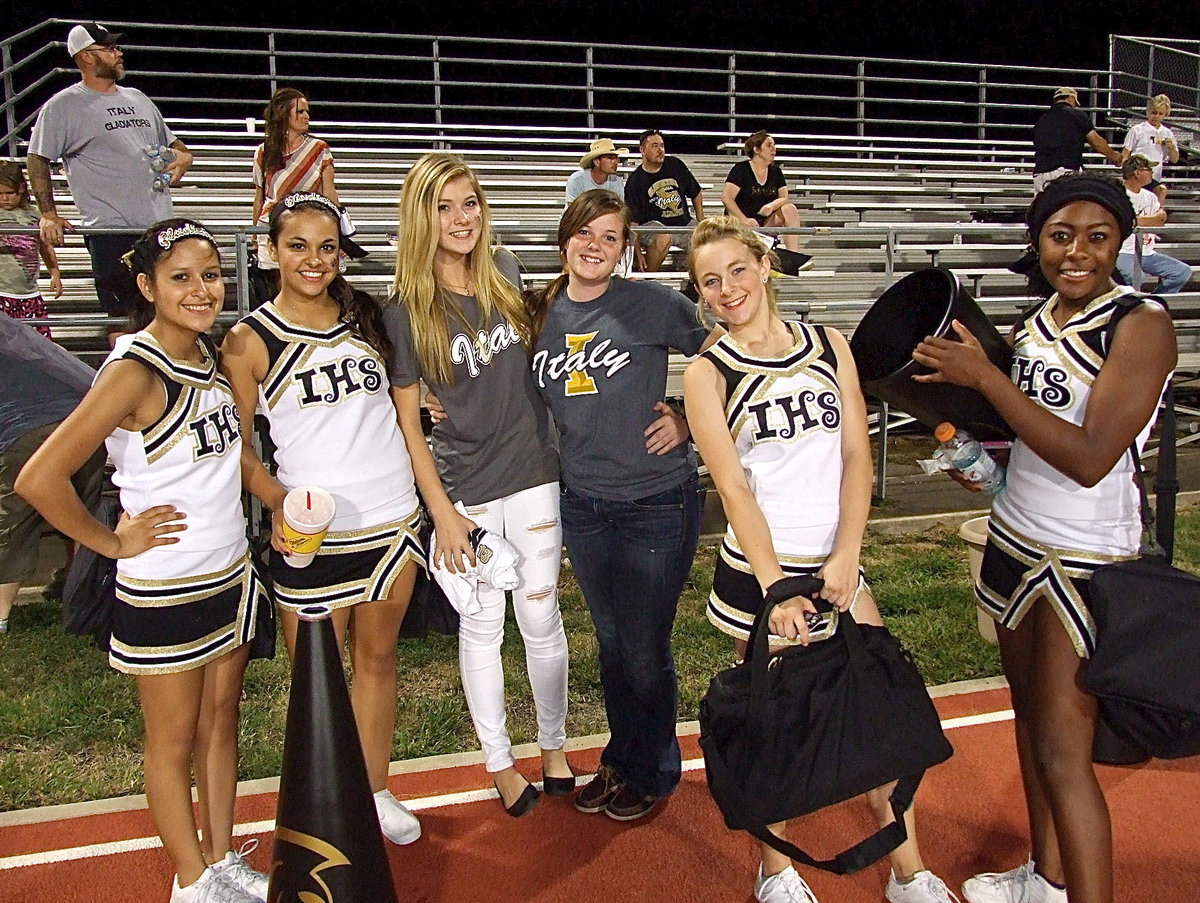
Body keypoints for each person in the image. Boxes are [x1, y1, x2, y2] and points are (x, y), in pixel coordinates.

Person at [912, 173, 1176, 903]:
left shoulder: (1141, 322)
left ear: (1122, 241)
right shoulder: (1038, 322)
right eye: (1061, 236)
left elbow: (1092, 457)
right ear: (1039, 242)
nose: (1078, 252)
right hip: (1015, 535)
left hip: (1085, 555)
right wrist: (985, 463)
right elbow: (1025, 435)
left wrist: (989, 382)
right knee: (1030, 723)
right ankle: (1048, 879)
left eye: (1098, 236)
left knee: (1066, 753)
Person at [684, 216, 957, 903]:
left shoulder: (829, 343)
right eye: (709, 281)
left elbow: (856, 453)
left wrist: (847, 555)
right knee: (779, 733)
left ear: (764, 265)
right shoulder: (705, 372)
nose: (727, 288)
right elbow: (733, 487)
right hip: (762, 576)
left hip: (839, 566)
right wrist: (778, 588)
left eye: (737, 270)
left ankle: (908, 870)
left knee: (880, 718)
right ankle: (775, 870)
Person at [15, 219, 270, 903]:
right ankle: (190, 881)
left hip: (228, 573)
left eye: (211, 274)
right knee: (172, 739)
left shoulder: (206, 354)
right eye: (181, 276)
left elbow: (230, 460)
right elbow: (40, 477)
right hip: (166, 588)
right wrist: (113, 543)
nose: (200, 289)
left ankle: (220, 857)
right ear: (146, 284)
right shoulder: (135, 368)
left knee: (222, 722)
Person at [219, 191, 425, 848]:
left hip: (392, 518)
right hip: (313, 532)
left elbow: (401, 409)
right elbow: (236, 446)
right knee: (317, 679)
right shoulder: (250, 338)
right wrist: (278, 500)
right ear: (270, 250)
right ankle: (320, 804)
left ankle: (374, 789)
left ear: (343, 252)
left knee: (379, 657)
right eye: (298, 245)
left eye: (327, 246)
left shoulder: (371, 316)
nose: (314, 260)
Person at [383, 152, 573, 817]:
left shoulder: (507, 273)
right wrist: (443, 514)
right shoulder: (405, 310)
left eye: (470, 203)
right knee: (483, 622)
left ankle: (553, 746)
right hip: (464, 488)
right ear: (421, 216)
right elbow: (410, 424)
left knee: (541, 615)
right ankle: (499, 763)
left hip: (530, 472)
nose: (462, 218)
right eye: (444, 206)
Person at [528, 189, 712, 822]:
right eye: (586, 232)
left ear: (626, 248)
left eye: (611, 237)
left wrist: (690, 419)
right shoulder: (538, 310)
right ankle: (623, 756)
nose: (595, 246)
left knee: (642, 643)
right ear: (565, 237)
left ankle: (653, 771)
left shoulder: (652, 303)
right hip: (584, 502)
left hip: (656, 500)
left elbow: (733, 357)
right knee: (611, 641)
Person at [26, 23, 193, 338]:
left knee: (166, 316)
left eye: (117, 48)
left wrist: (184, 158)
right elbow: (37, 158)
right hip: (112, 232)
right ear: (87, 57)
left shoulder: (138, 98)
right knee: (125, 320)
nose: (119, 54)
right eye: (110, 49)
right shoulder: (64, 105)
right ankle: (128, 385)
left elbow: (178, 148)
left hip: (159, 229)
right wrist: (48, 212)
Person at [0, 314, 104, 636]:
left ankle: (0, 616)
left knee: (10, 521)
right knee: (79, 516)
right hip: (88, 418)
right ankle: (82, 598)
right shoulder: (10, 329)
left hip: (30, 429)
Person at [249, 88, 342, 305]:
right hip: (273, 225)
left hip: (309, 226)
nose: (306, 116)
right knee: (279, 291)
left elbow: (329, 192)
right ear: (283, 114)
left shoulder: (319, 149)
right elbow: (260, 196)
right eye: (300, 112)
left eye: (307, 111)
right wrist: (255, 234)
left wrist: (337, 229)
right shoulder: (263, 152)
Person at [723, 131, 810, 266]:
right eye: (769, 145)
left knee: (789, 209)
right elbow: (727, 198)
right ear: (757, 150)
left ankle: (794, 258)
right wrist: (744, 219)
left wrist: (772, 206)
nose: (774, 149)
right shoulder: (741, 169)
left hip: (765, 223)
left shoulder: (776, 172)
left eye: (774, 145)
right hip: (741, 222)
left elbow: (784, 197)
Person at [625, 130, 705, 272]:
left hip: (682, 224)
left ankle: (693, 285)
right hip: (652, 227)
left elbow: (696, 193)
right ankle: (648, 280)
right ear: (642, 150)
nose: (660, 150)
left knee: (708, 236)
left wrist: (701, 219)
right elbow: (634, 222)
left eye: (662, 146)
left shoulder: (675, 165)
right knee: (663, 236)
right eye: (655, 146)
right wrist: (636, 252)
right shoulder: (635, 181)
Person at [0, 161, 62, 338]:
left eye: (9, 193)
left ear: (21, 188)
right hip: (2, 292)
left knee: (37, 346)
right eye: (0, 193)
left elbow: (45, 246)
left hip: (29, 294)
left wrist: (54, 273)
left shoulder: (35, 215)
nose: (5, 198)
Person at [1115, 155, 1191, 295]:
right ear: (1137, 173)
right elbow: (1125, 222)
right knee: (1136, 277)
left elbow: (1161, 220)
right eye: (1148, 169)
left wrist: (1141, 220)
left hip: (1147, 252)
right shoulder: (1118, 194)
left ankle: (1154, 303)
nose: (1152, 172)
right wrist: (1150, 219)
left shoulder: (1149, 196)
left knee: (1181, 272)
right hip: (1123, 251)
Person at [1031, 87, 1121, 194]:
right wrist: (1115, 156)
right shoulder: (1076, 114)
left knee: (1042, 209)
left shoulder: (1041, 120)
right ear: (1070, 99)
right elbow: (1096, 142)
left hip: (1040, 174)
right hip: (1065, 172)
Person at [1120, 94, 1178, 204]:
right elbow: (1125, 154)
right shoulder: (1137, 130)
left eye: (1160, 114)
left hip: (1154, 176)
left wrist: (1171, 148)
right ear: (1148, 112)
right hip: (1137, 175)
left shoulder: (1167, 133)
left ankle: (1156, 215)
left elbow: (1174, 159)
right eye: (1154, 112)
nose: (1156, 116)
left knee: (1160, 192)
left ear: (1165, 115)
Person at [565, 138, 627, 203]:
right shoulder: (577, 179)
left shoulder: (617, 182)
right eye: (610, 158)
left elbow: (619, 209)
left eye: (616, 158)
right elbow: (573, 209)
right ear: (597, 162)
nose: (616, 161)